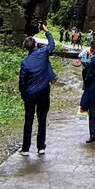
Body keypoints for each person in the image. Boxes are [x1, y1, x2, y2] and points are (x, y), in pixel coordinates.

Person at [18, 22, 56, 156]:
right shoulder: (43, 53)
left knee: (28, 120)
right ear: (35, 44)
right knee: (42, 119)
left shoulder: (25, 62)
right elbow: (52, 44)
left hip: (30, 94)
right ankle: (41, 147)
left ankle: (25, 149)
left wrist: (24, 95)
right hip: (43, 93)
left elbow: (22, 82)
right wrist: (46, 30)